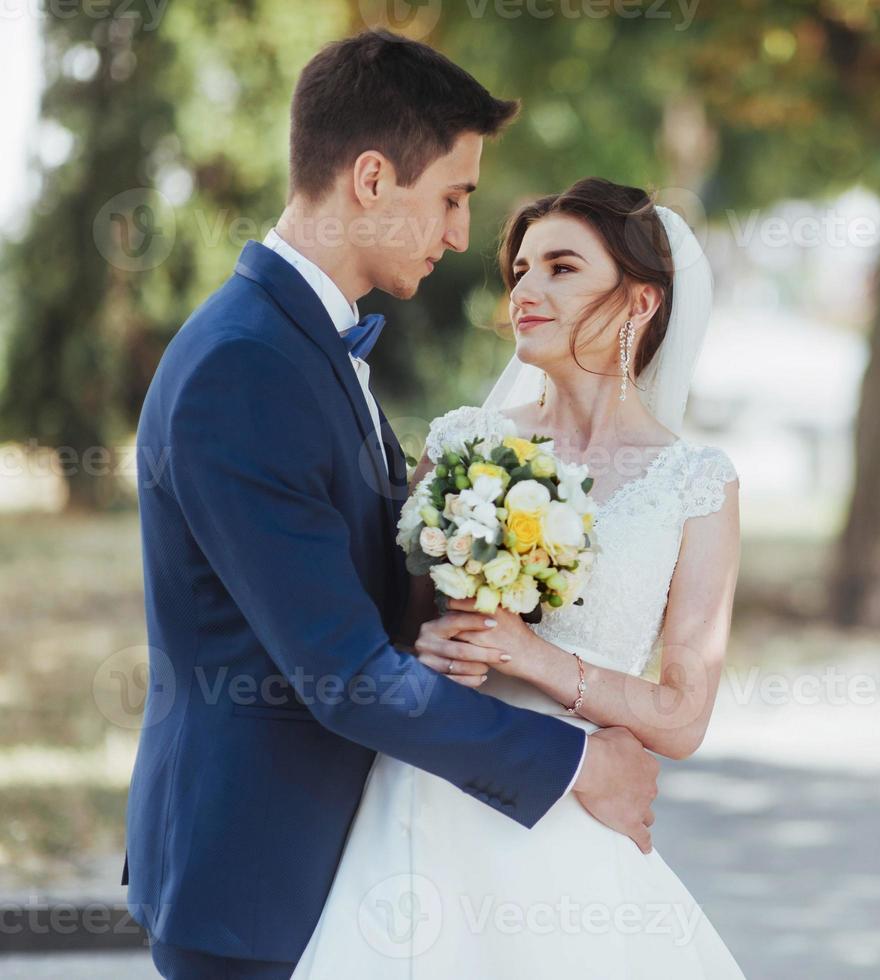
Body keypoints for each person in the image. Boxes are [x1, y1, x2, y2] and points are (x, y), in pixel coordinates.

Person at [126, 31, 659, 978]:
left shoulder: (305, 348)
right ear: (371, 178)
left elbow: (363, 594)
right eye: (451, 197)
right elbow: (342, 675)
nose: (460, 235)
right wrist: (576, 764)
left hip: (335, 873)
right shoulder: (246, 367)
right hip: (257, 887)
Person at [291, 177, 745, 976]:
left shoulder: (697, 483)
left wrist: (529, 655)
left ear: (640, 304)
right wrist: (443, 642)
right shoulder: (464, 442)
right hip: (431, 800)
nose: (527, 290)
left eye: (562, 268)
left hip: (575, 819)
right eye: (522, 270)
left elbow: (681, 717)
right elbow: (392, 646)